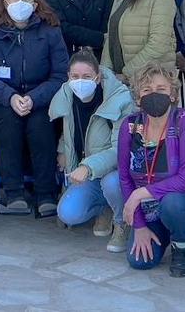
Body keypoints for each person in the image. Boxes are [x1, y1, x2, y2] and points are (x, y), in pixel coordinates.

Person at [0, 0, 69, 216]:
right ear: (5, 3)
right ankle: (12, 191)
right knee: (8, 122)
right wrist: (10, 97)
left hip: (40, 98)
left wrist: (34, 98)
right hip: (2, 99)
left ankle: (46, 193)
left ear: (36, 5)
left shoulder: (51, 32)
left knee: (41, 125)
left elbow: (60, 75)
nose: (20, 2)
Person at [117, 63, 185, 278]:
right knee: (140, 261)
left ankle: (181, 245)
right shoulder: (130, 126)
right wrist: (140, 226)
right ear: (137, 98)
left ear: (172, 94)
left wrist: (139, 194)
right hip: (149, 207)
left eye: (161, 89)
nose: (154, 94)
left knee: (172, 203)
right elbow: (125, 177)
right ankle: (162, 229)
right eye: (146, 90)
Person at [50, 48, 135, 249]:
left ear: (97, 77)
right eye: (75, 76)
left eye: (87, 76)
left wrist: (87, 167)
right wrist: (62, 149)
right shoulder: (66, 95)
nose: (80, 81)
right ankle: (103, 207)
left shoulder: (120, 99)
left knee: (111, 182)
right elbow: (68, 128)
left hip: (111, 172)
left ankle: (122, 222)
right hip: (85, 172)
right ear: (68, 77)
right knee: (68, 213)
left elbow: (120, 150)